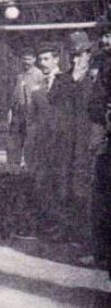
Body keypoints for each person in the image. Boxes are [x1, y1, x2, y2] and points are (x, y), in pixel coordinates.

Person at [47, 30, 96, 249]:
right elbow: (53, 99)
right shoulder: (62, 79)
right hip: (66, 142)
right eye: (73, 55)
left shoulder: (97, 79)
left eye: (81, 54)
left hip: (88, 141)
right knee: (64, 184)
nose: (76, 59)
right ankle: (65, 228)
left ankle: (86, 234)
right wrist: (73, 80)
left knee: (85, 186)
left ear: (89, 54)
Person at [24, 41, 63, 235]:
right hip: (41, 144)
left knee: (59, 185)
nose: (43, 63)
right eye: (40, 59)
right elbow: (32, 119)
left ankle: (60, 227)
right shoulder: (37, 88)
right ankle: (45, 225)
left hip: (61, 143)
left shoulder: (66, 82)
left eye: (47, 58)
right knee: (41, 184)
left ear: (56, 59)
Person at [89, 20, 111, 276]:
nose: (105, 41)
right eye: (103, 35)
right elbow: (96, 105)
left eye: (109, 35)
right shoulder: (103, 64)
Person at [7, 47, 43, 167]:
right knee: (15, 139)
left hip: (32, 111)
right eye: (24, 59)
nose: (26, 62)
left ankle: (30, 166)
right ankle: (13, 165)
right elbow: (15, 94)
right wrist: (11, 110)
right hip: (18, 111)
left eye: (29, 59)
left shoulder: (38, 74)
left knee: (31, 140)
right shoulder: (19, 75)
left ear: (34, 60)